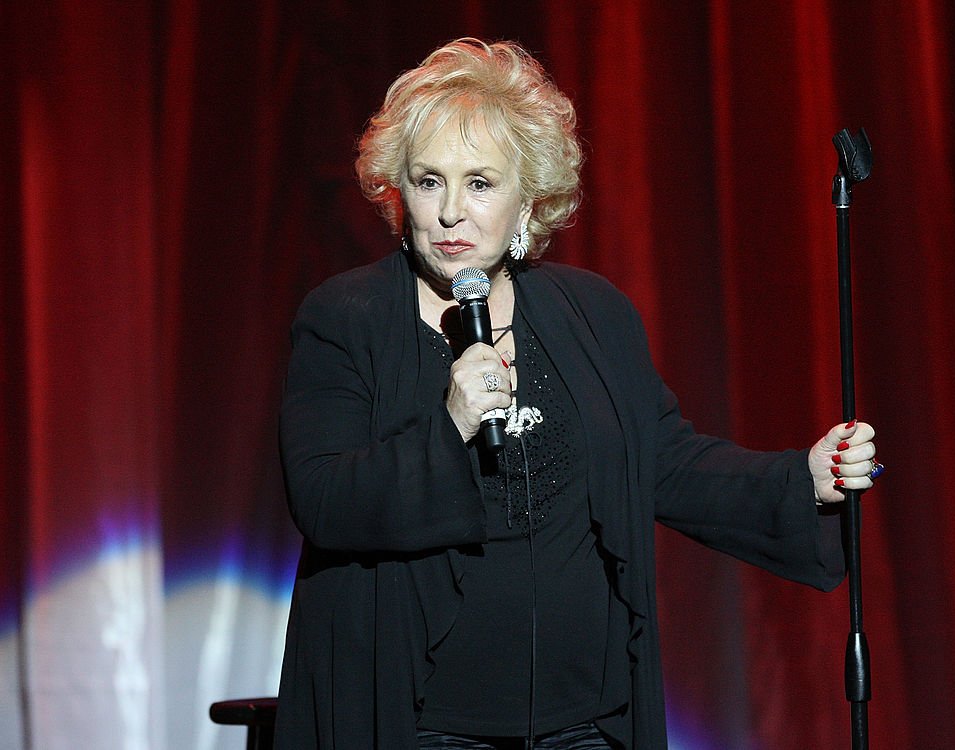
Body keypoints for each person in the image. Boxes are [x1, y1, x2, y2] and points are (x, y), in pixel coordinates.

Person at [273, 38, 880, 750]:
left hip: (584, 720)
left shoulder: (591, 313)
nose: (450, 213)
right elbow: (323, 499)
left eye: (480, 183)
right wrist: (452, 423)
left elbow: (665, 462)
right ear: (396, 191)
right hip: (425, 722)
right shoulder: (346, 317)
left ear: (528, 198)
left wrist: (800, 479)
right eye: (428, 181)